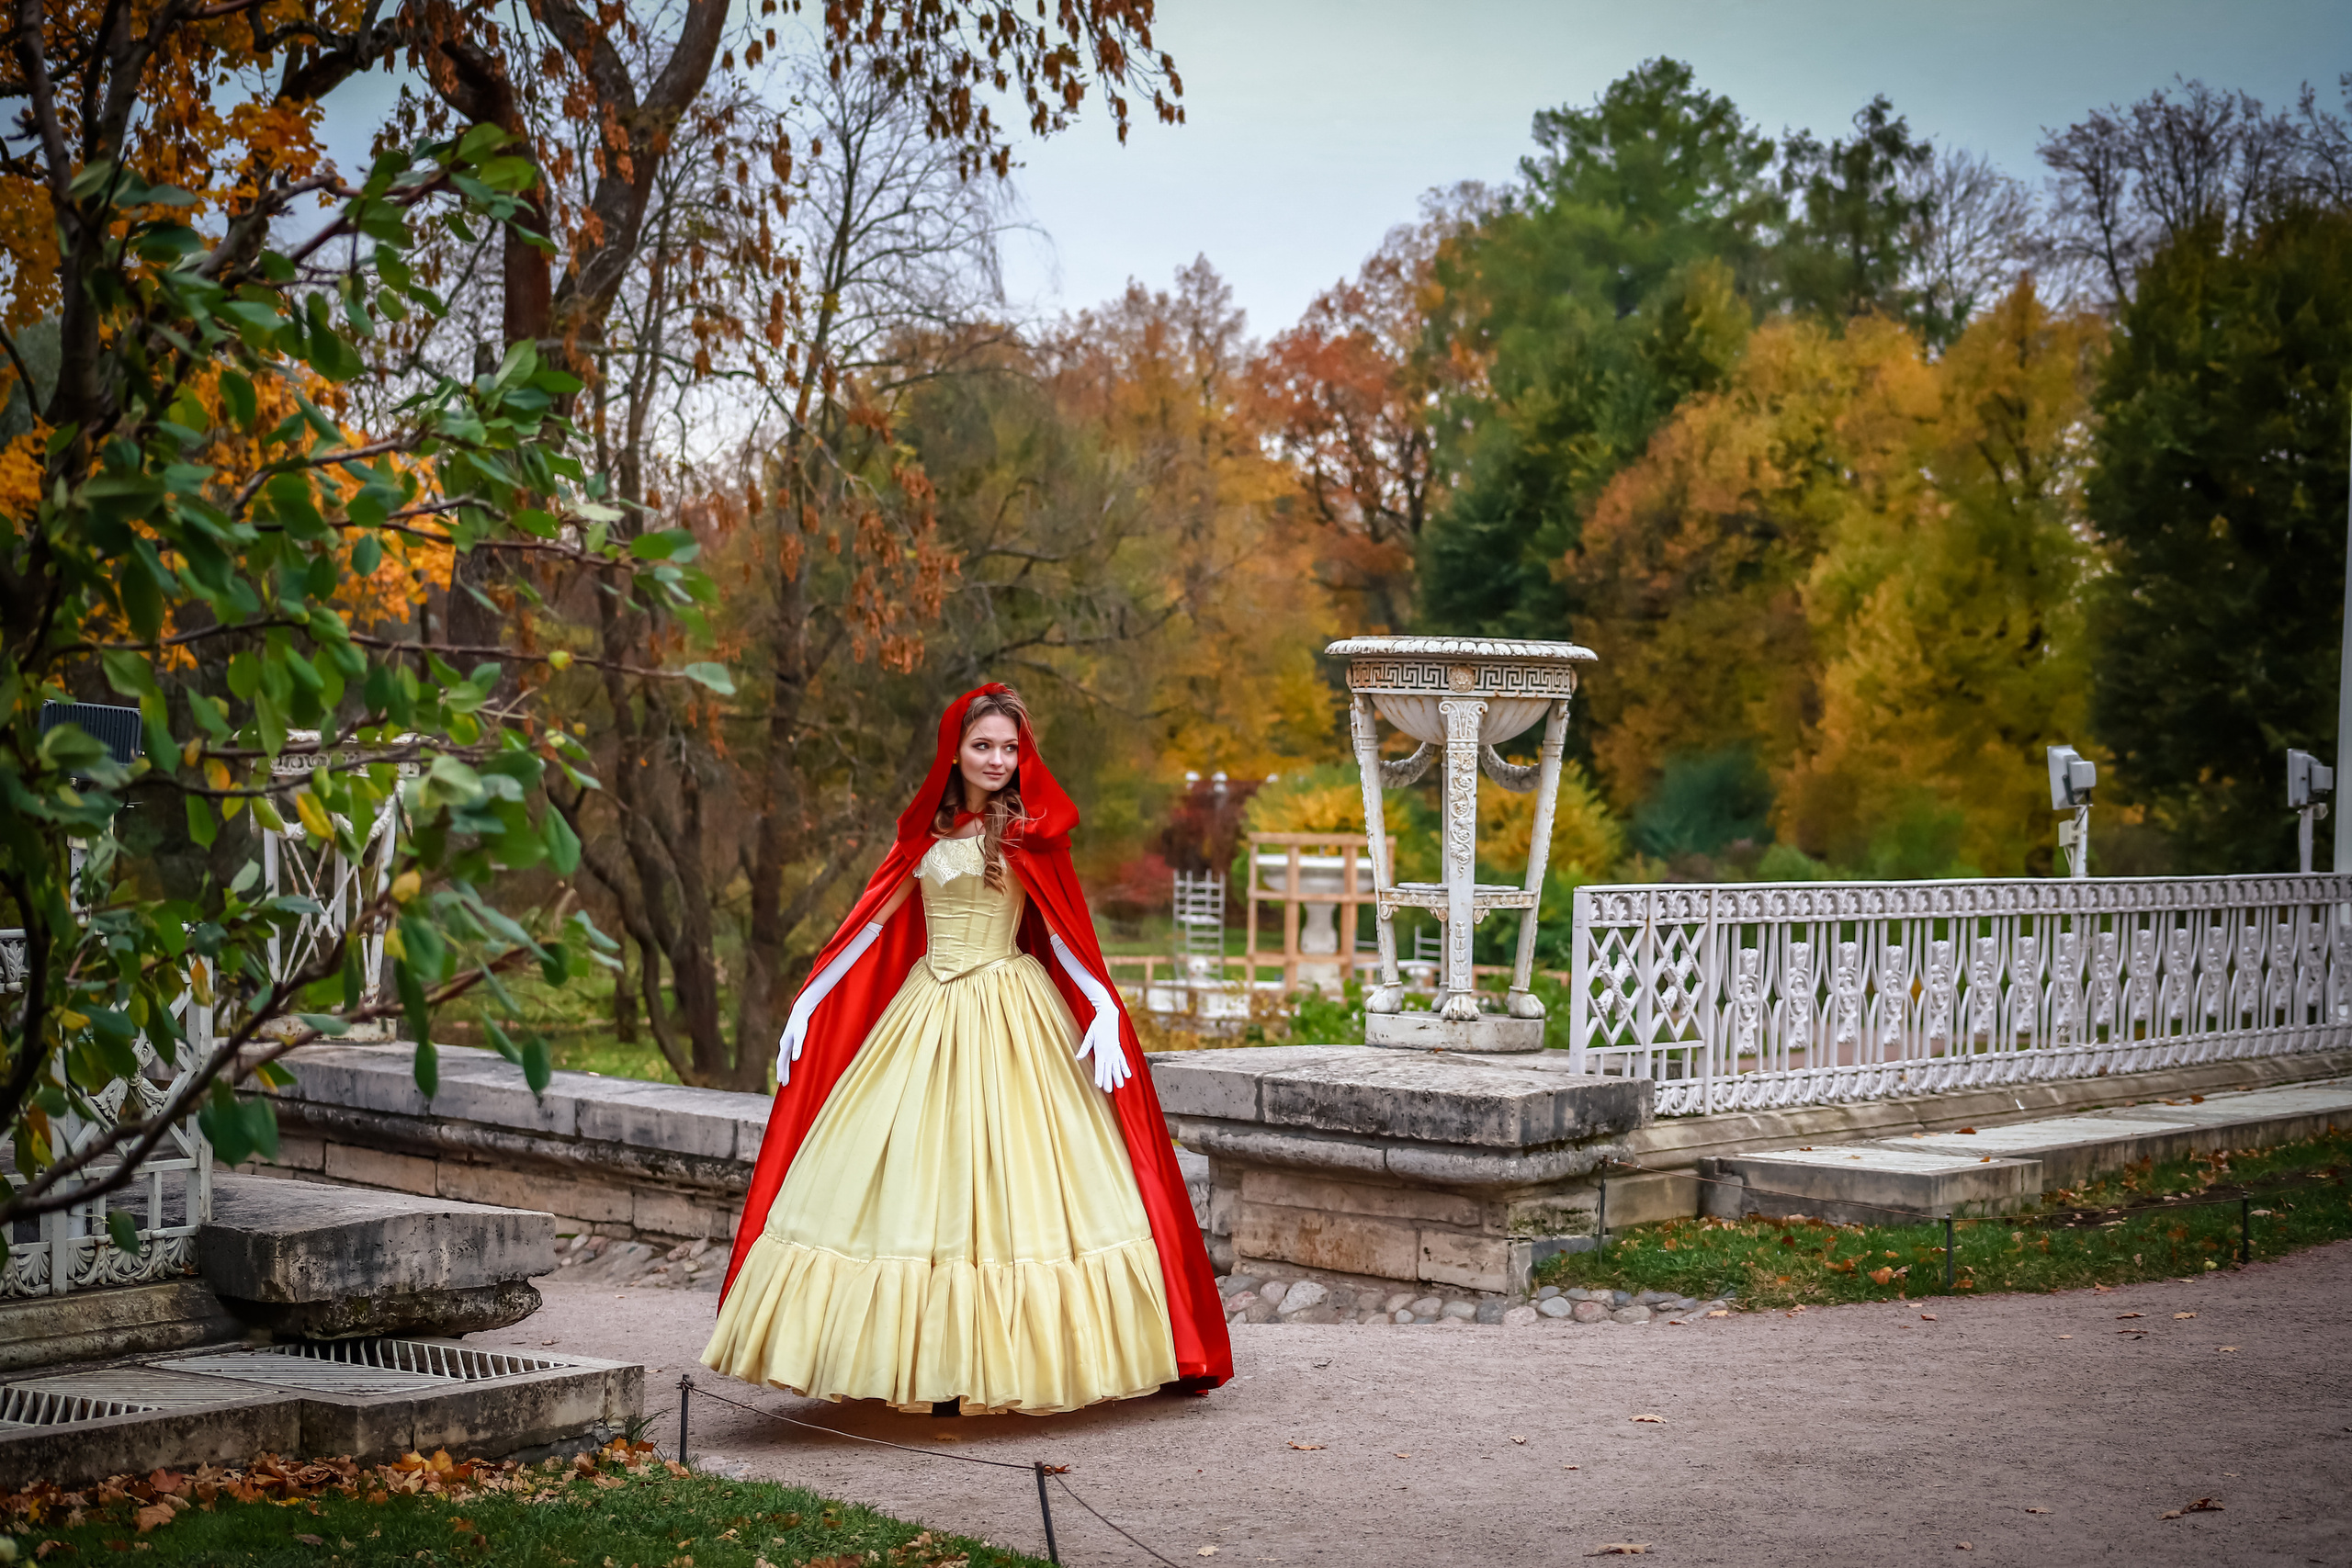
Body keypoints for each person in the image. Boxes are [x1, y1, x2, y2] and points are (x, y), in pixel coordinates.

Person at [703, 683, 1232, 1415]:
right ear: (954, 751)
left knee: (1024, 1177)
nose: (997, 759)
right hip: (926, 1007)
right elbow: (868, 923)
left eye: (1009, 747)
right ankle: (917, 1359)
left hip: (1011, 1011)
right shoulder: (923, 834)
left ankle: (1013, 1362)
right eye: (983, 745)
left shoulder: (1029, 833)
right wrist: (809, 997)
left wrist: (1106, 1006)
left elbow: (1065, 931)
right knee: (911, 1170)